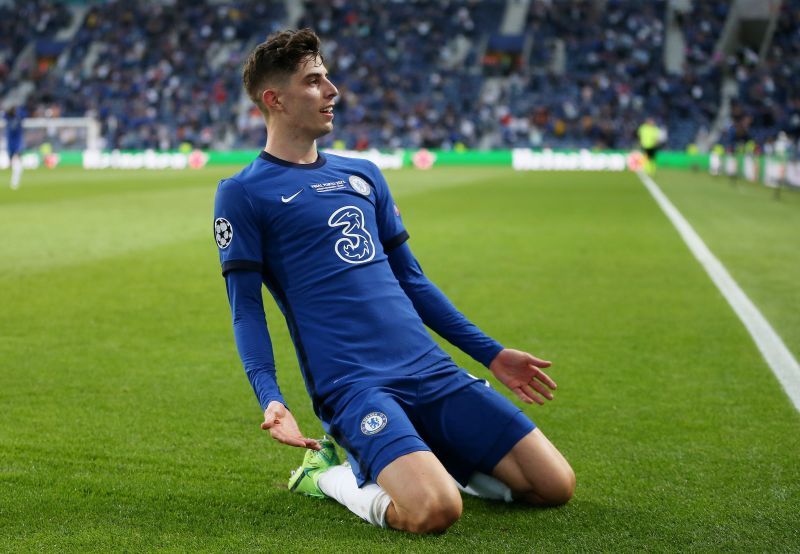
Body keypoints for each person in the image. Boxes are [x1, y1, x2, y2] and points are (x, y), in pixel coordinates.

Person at [213, 28, 574, 534]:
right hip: (355, 384)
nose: (332, 90)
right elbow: (245, 308)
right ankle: (331, 476)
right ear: (274, 99)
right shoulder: (244, 194)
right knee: (435, 511)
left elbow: (414, 282)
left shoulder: (364, 175)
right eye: (314, 81)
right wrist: (271, 397)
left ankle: (427, 457)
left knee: (554, 486)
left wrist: (491, 354)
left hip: (429, 368)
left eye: (327, 77)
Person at [4, 106, 26, 190]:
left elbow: (25, 113)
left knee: (17, 158)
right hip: (10, 142)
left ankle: (15, 181)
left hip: (18, 142)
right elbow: (4, 114)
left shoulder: (19, 117)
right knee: (11, 163)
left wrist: (18, 111)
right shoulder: (8, 117)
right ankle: (16, 172)